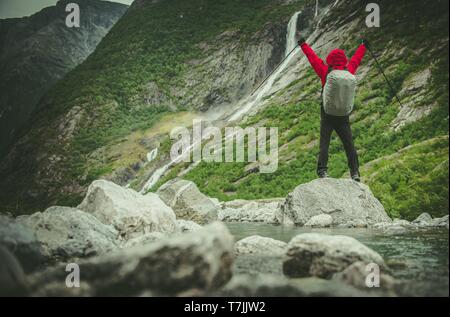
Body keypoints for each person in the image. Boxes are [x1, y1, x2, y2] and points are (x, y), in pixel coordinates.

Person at [297, 36, 369, 182]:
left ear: (330, 60)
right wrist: (364, 46)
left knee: (325, 142)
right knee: (349, 144)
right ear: (344, 61)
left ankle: (322, 171)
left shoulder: (325, 72)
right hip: (343, 114)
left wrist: (303, 44)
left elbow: (312, 58)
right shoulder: (349, 71)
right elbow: (356, 59)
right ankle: (355, 173)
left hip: (327, 114)